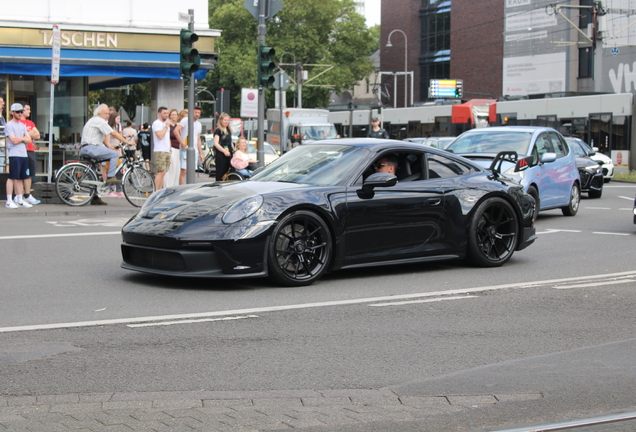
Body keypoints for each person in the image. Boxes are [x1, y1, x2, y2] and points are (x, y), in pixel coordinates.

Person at [80, 104, 135, 205]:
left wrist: (109, 147)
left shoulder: (93, 120)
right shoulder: (100, 121)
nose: (108, 115)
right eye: (106, 113)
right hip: (92, 148)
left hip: (85, 148)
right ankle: (110, 177)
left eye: (108, 114)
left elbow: (104, 135)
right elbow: (112, 133)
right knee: (114, 154)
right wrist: (127, 142)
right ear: (100, 113)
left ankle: (94, 198)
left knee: (93, 172)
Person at [4, 103, 33, 209]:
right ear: (12, 113)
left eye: (21, 111)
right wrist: (22, 139)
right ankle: (9, 200)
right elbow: (13, 140)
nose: (20, 114)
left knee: (21, 177)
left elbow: (29, 139)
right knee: (13, 177)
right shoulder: (9, 125)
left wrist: (20, 139)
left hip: (23, 154)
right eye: (18, 112)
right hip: (14, 154)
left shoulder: (22, 125)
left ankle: (19, 199)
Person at [176, 106, 204, 185]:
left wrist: (201, 153)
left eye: (199, 113)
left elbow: (198, 139)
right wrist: (181, 143)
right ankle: (182, 188)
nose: (197, 114)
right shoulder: (185, 120)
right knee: (184, 170)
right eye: (196, 112)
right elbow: (176, 130)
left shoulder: (199, 124)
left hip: (194, 150)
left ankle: (189, 188)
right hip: (186, 148)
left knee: (191, 171)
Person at [19, 104, 41, 205]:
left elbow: (37, 135)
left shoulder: (30, 122)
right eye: (27, 109)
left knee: (30, 173)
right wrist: (30, 134)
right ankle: (19, 194)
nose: (29, 111)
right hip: (20, 150)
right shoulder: (17, 122)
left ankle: (27, 194)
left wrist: (26, 135)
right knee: (20, 173)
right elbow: (19, 136)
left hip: (30, 149)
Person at [151, 106, 172, 190]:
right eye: (164, 113)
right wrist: (166, 127)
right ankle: (156, 190)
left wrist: (170, 149)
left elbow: (167, 137)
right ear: (159, 113)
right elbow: (160, 136)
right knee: (160, 172)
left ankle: (159, 190)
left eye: (167, 113)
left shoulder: (166, 123)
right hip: (160, 150)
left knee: (163, 172)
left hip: (166, 150)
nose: (166, 115)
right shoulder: (157, 123)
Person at [106, 112, 124, 196]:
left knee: (119, 170)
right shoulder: (109, 128)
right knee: (111, 171)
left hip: (117, 150)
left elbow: (119, 139)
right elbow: (108, 141)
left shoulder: (117, 127)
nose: (119, 120)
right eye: (118, 119)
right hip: (112, 150)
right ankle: (108, 189)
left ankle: (118, 189)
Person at [212, 112, 233, 181]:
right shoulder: (218, 131)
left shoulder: (229, 130)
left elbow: (230, 142)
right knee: (221, 171)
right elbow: (216, 143)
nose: (226, 122)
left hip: (229, 153)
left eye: (227, 120)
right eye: (225, 120)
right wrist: (224, 151)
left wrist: (233, 149)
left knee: (228, 171)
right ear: (221, 120)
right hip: (221, 154)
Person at [164, 109, 182, 188]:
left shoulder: (179, 125)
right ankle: (168, 187)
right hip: (172, 148)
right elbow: (167, 137)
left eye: (175, 115)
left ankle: (175, 187)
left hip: (179, 149)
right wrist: (169, 148)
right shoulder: (168, 125)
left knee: (177, 170)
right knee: (171, 169)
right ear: (170, 116)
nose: (174, 116)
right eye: (172, 115)